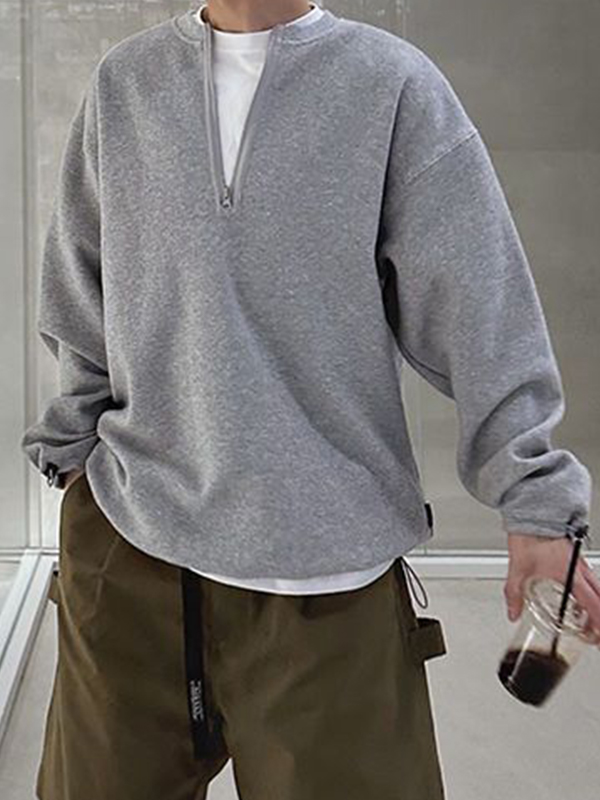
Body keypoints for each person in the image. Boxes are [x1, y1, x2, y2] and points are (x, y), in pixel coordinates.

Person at [21, 2, 599, 799]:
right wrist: (72, 454)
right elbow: (81, 290)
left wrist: (536, 502)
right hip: (130, 558)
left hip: (328, 582)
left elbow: (482, 312)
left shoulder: (391, 86)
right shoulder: (125, 83)